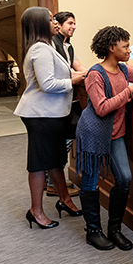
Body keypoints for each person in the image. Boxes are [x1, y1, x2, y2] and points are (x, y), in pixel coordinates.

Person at [76, 26, 133, 250]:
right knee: (91, 183)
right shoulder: (95, 74)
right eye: (125, 46)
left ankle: (115, 229)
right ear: (112, 48)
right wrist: (130, 91)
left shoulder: (123, 69)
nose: (130, 50)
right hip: (94, 133)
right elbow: (101, 108)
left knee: (124, 179)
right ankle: (93, 231)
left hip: (115, 133)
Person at [14, 7, 85, 229]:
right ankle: (35, 211)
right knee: (38, 164)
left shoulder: (47, 47)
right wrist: (75, 81)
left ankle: (65, 200)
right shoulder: (40, 50)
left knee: (55, 160)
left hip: (52, 114)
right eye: (51, 19)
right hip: (40, 114)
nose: (55, 22)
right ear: (39, 24)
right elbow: (49, 85)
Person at [46, 10, 88, 198]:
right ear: (59, 25)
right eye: (69, 23)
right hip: (54, 101)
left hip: (67, 100)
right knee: (60, 143)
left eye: (74, 23)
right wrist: (80, 76)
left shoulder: (68, 46)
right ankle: (52, 183)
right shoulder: (52, 45)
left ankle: (56, 182)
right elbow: (62, 75)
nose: (73, 27)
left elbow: (79, 69)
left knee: (66, 141)